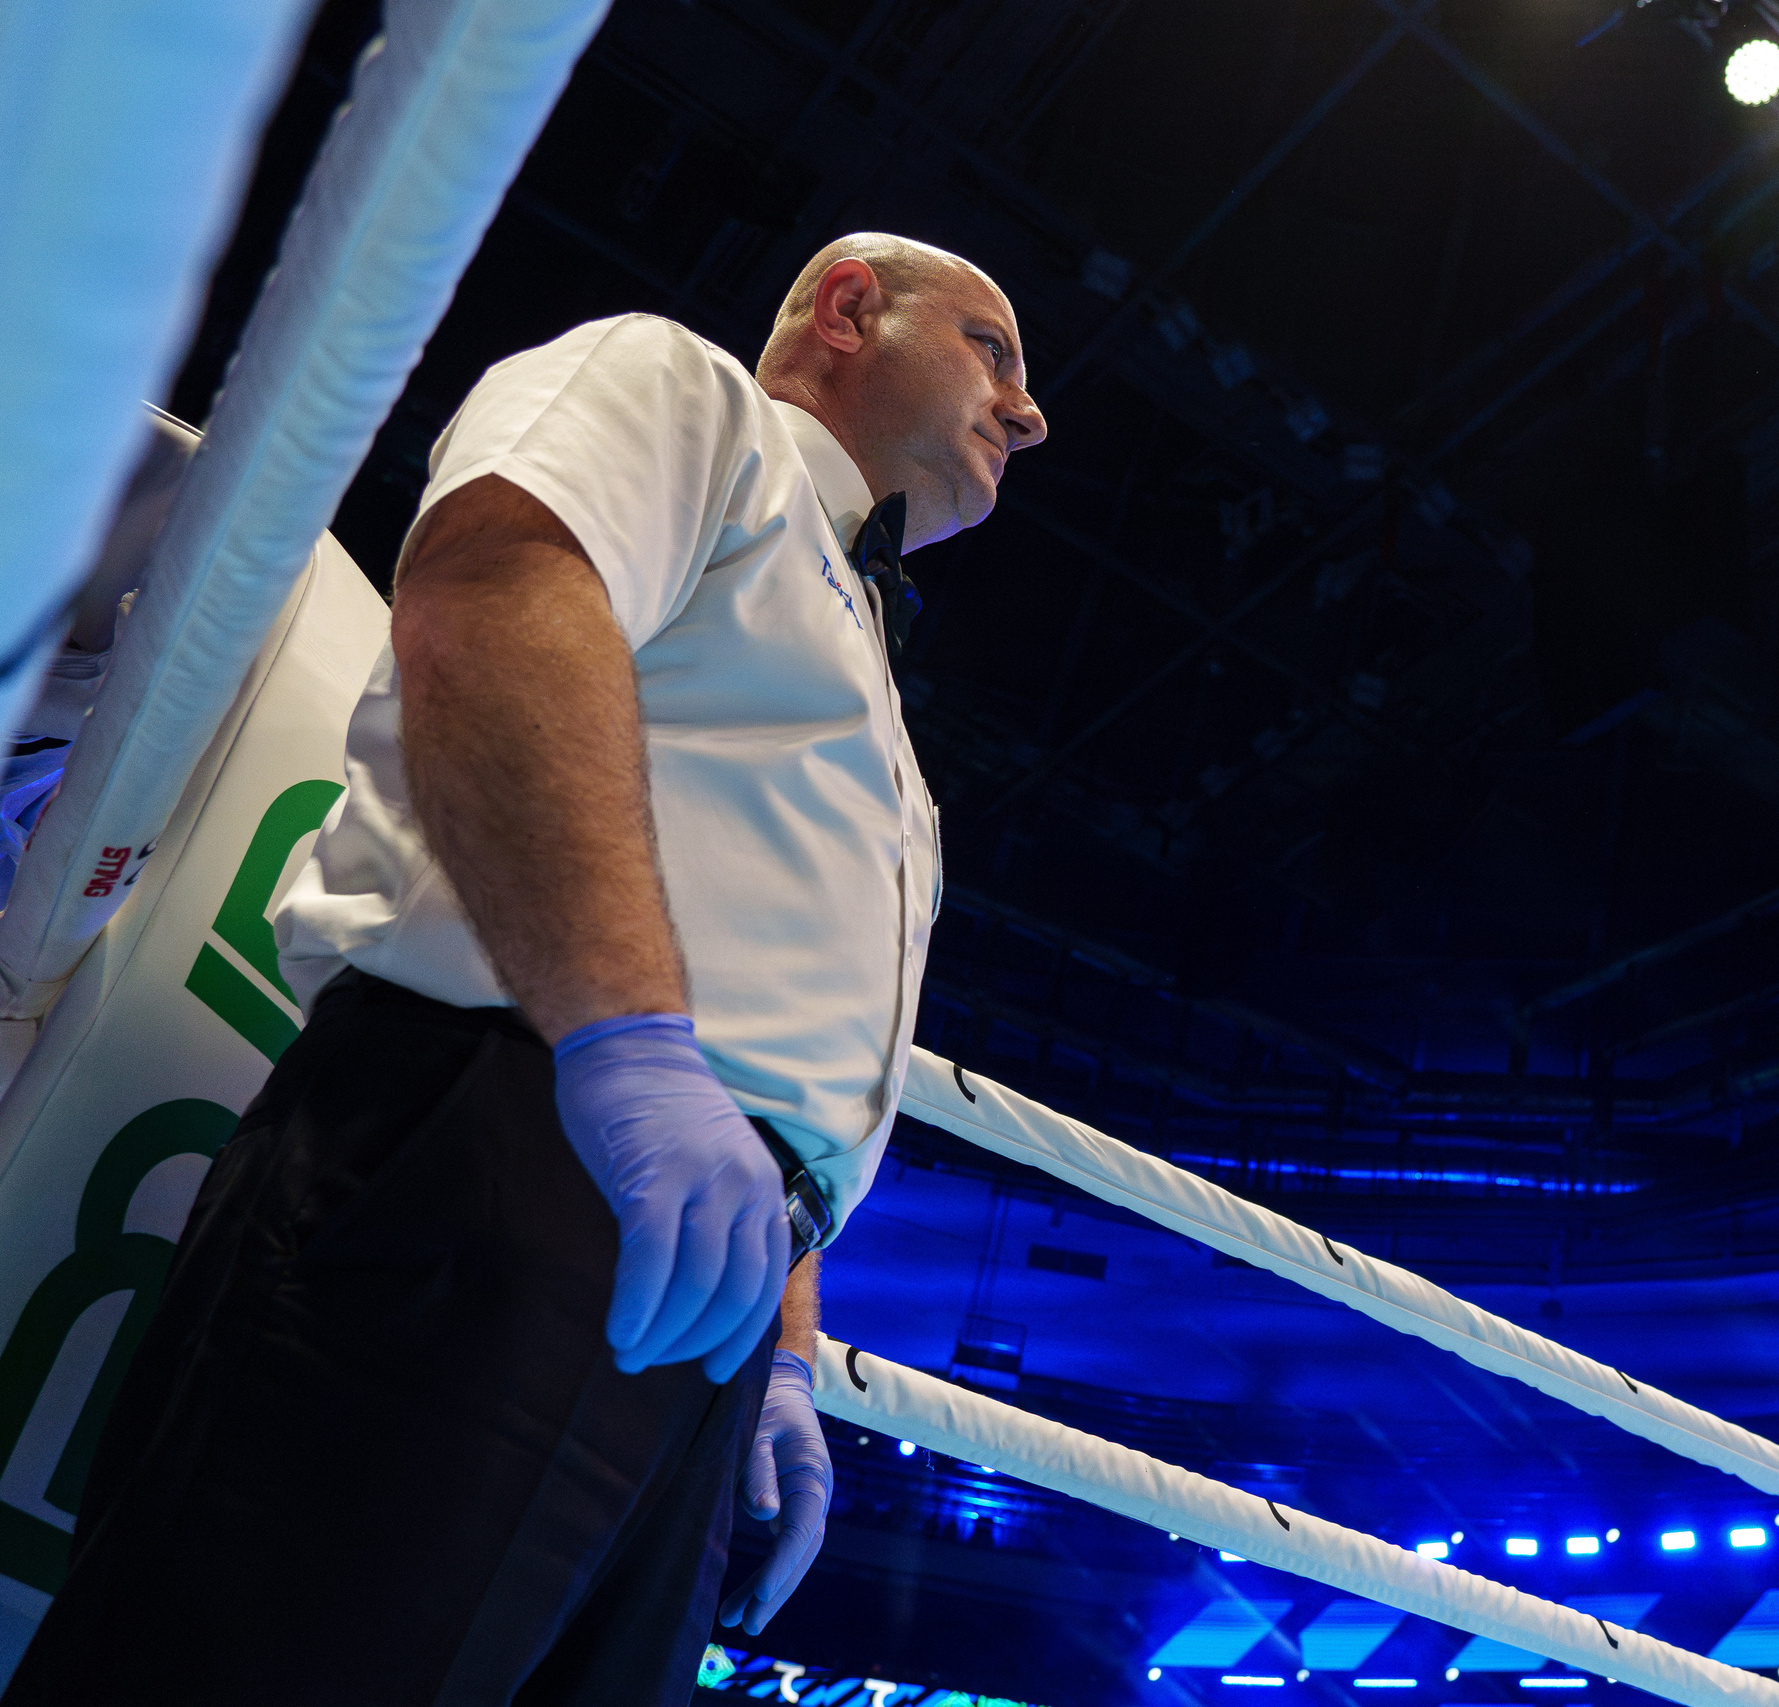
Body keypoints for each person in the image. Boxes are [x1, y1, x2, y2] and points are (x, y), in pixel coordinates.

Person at [3, 233, 1045, 1706]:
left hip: (703, 1268)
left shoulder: (866, 666)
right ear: (851, 310)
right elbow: (495, 586)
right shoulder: (680, 392)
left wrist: (786, 1353)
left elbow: (790, 1027)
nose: (1031, 411)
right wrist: (627, 1041)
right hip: (517, 1148)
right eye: (995, 352)